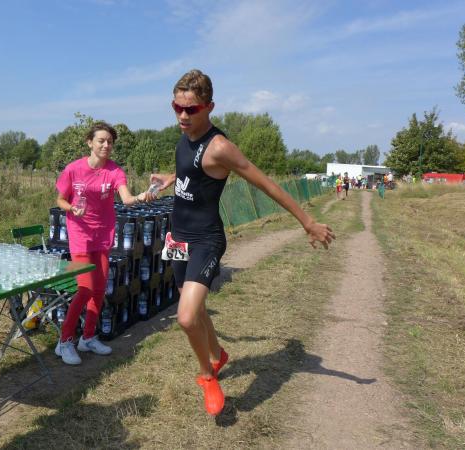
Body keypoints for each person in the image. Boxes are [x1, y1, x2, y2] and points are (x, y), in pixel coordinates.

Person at [149, 70, 334, 416]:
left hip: (206, 239)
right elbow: (190, 170)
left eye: (191, 109)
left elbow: (267, 184)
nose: (183, 116)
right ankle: (218, 355)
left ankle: (207, 376)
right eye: (177, 107)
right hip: (178, 236)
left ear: (210, 107)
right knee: (195, 307)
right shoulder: (183, 137)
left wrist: (307, 222)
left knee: (186, 318)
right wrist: (170, 178)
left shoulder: (221, 148)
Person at [54, 121, 150, 365]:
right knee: (85, 289)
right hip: (80, 236)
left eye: (110, 142)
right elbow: (60, 200)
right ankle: (65, 341)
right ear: (90, 142)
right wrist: (72, 208)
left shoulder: (115, 171)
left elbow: (126, 198)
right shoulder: (73, 169)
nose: (106, 145)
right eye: (101, 141)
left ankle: (87, 338)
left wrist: (140, 197)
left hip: (103, 235)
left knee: (99, 290)